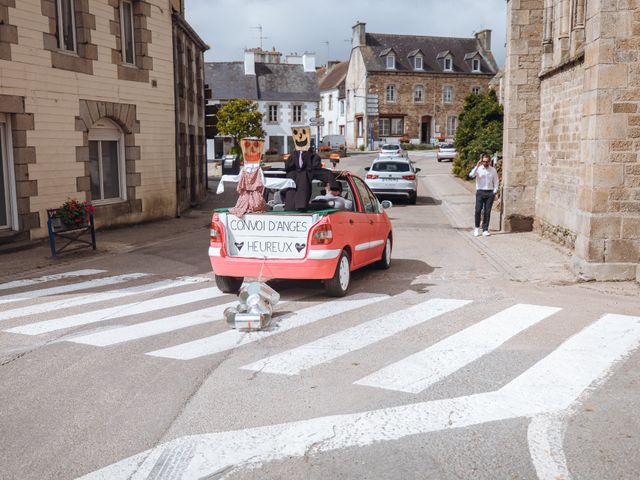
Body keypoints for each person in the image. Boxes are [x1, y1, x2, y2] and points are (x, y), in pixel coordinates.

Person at [469, 153, 499, 237]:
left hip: (490, 193)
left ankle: (485, 229)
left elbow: (496, 181)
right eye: (484, 161)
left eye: (487, 161)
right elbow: (471, 175)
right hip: (480, 192)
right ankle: (477, 228)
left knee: (487, 211)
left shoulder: (493, 170)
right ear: (481, 161)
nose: (485, 163)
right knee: (478, 210)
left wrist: (495, 191)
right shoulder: (478, 169)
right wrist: (477, 166)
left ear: (489, 161)